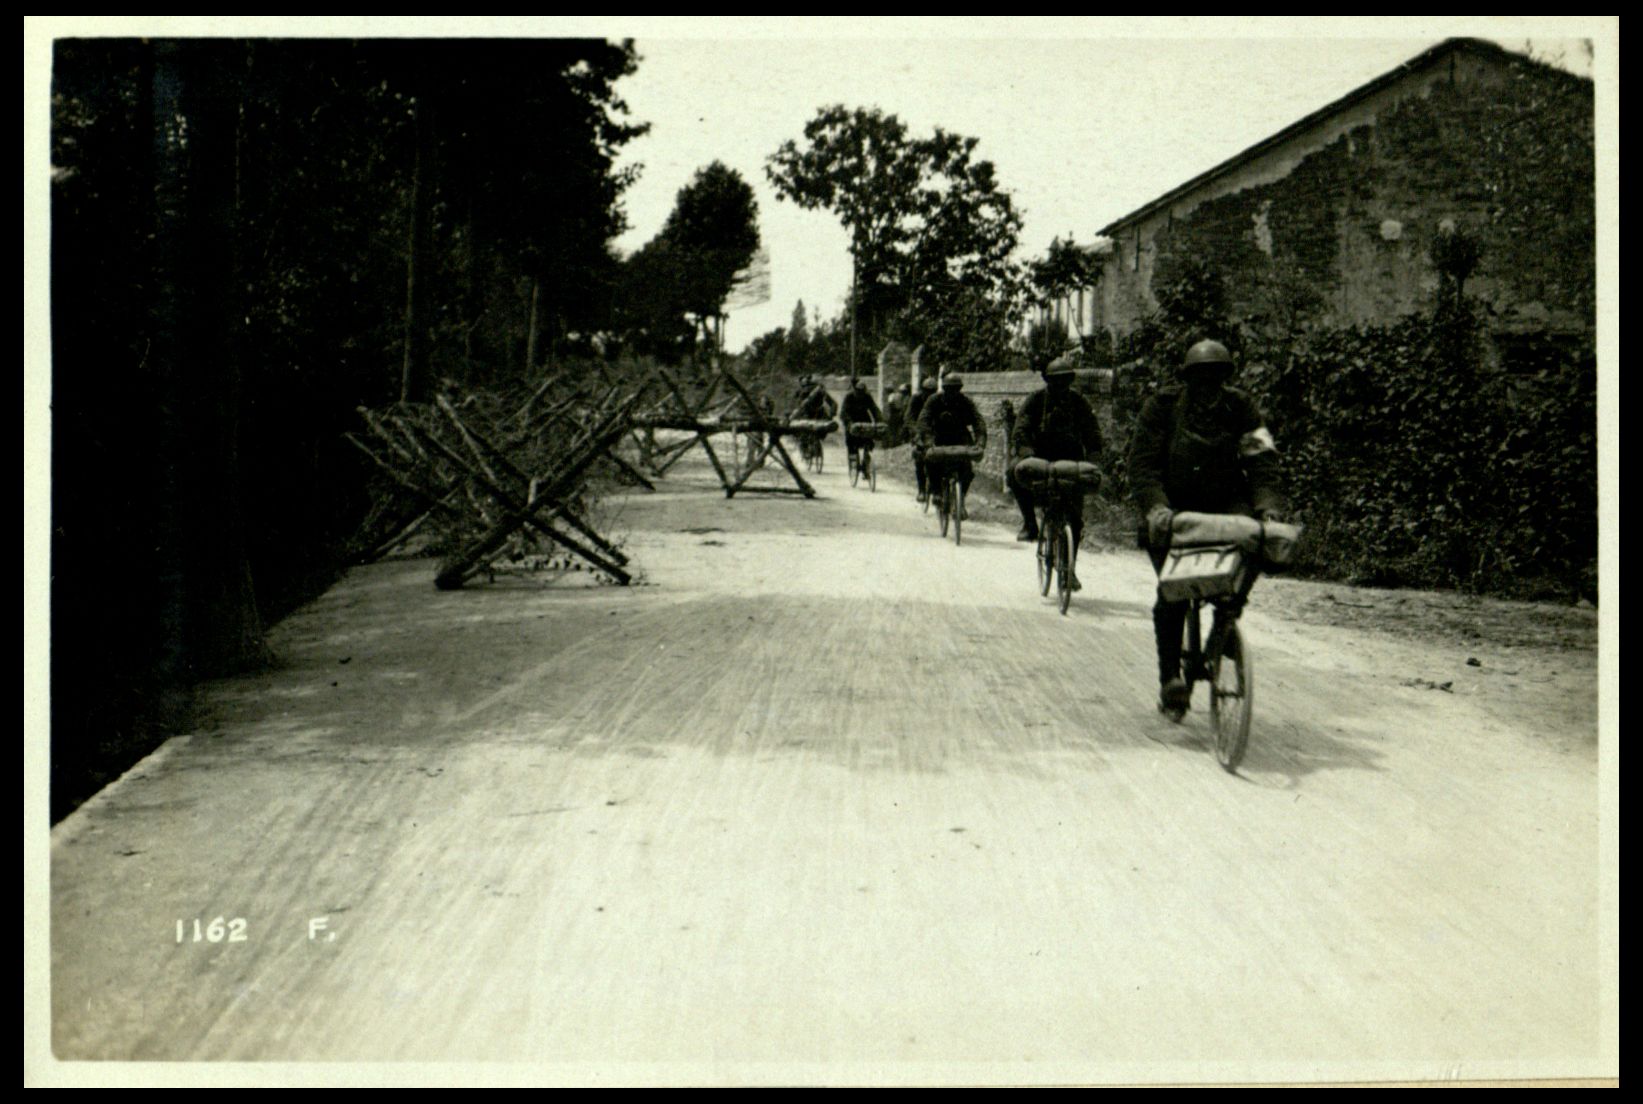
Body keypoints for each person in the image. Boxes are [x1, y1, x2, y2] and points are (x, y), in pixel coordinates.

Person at [1127, 339, 1286, 714]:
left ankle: (1225, 624)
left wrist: (1268, 508)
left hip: (1227, 504)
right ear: (1188, 378)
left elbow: (1262, 463)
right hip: (1174, 509)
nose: (1208, 388)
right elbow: (1143, 466)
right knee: (1173, 593)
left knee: (1255, 545)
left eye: (1216, 378)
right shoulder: (1162, 407)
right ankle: (1171, 679)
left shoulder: (1242, 408)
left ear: (1225, 379)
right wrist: (1156, 507)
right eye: (1200, 379)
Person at [1009, 354, 1104, 545]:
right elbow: (1021, 429)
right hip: (1039, 455)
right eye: (1055, 380)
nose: (1060, 384)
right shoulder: (1036, 400)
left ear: (1070, 380)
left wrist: (1094, 456)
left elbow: (1092, 430)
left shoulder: (1078, 401)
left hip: (1072, 457)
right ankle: (1030, 524)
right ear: (1048, 380)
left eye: (1064, 379)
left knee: (1076, 511)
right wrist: (1027, 453)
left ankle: (1071, 555)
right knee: (1012, 472)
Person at [916, 372, 987, 515]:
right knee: (930, 461)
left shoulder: (965, 402)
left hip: (960, 437)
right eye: (949, 389)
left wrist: (980, 442)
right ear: (944, 388)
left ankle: (960, 501)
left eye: (956, 389)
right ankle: (936, 491)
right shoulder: (934, 400)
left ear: (960, 389)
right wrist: (928, 441)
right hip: (938, 437)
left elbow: (978, 421)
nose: (953, 392)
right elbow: (923, 420)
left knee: (967, 470)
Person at [839, 379, 884, 477]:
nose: (861, 393)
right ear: (855, 390)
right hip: (852, 421)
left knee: (869, 441)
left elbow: (874, 409)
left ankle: (866, 464)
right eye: (859, 391)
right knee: (851, 442)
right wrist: (849, 423)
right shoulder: (849, 397)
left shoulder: (867, 397)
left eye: (862, 391)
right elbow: (843, 412)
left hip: (864, 421)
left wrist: (880, 420)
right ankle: (853, 461)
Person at [906, 376, 938, 502]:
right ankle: (921, 490)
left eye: (933, 391)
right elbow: (909, 418)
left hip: (934, 433)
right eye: (927, 391)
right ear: (922, 390)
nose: (930, 394)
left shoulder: (938, 399)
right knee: (919, 458)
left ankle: (938, 490)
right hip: (918, 433)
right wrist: (916, 432)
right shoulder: (916, 399)